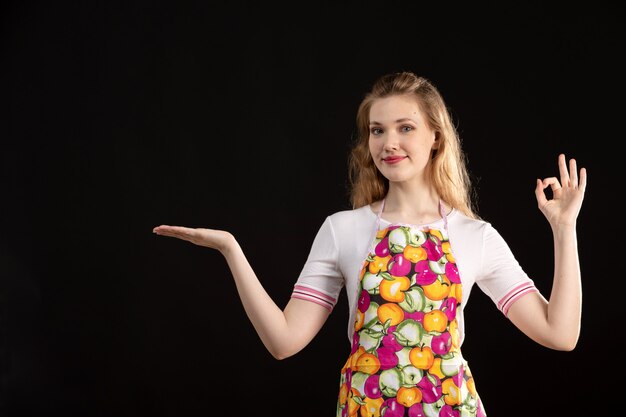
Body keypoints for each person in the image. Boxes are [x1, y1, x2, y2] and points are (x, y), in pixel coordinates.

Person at [153, 71, 587, 417]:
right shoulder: (343, 230)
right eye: (377, 130)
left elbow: (560, 334)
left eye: (405, 127)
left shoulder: (476, 236)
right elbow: (283, 341)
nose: (389, 143)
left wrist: (564, 229)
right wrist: (232, 250)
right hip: (367, 406)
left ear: (435, 136)